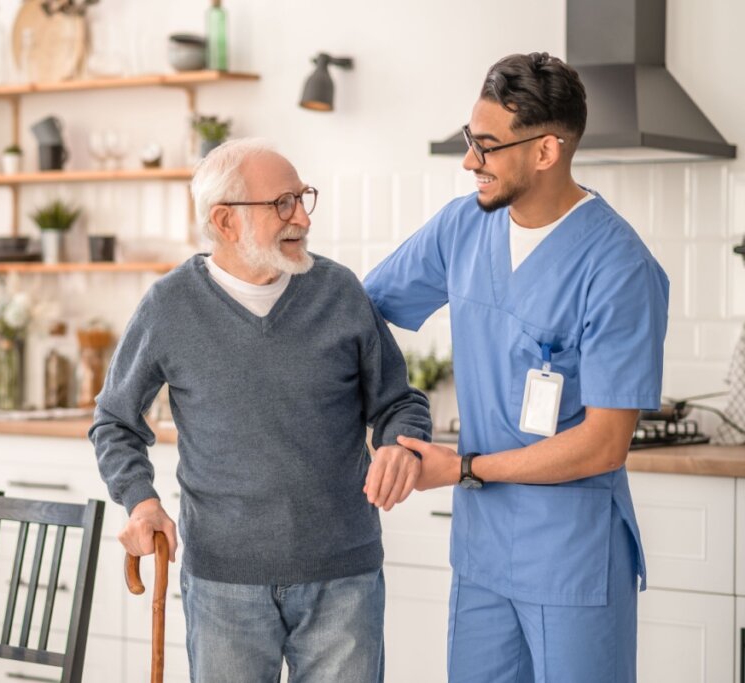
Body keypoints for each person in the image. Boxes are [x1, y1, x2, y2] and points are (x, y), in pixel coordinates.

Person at [364, 52, 669, 682]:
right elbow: (360, 312)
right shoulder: (462, 229)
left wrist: (464, 467)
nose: (470, 160)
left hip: (571, 560)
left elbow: (605, 444)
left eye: (488, 146)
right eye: (470, 140)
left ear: (546, 152)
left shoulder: (619, 268)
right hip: (482, 558)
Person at [90, 138, 432, 683]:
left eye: (302, 198)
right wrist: (140, 500)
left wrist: (399, 442)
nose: (301, 217)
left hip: (343, 576)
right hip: (223, 581)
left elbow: (399, 401)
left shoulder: (339, 291)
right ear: (225, 221)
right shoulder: (169, 305)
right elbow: (114, 422)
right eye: (282, 203)